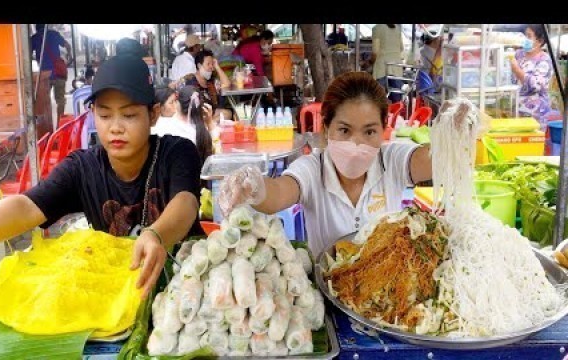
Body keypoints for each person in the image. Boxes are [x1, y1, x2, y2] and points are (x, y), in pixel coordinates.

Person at [0, 55, 204, 300]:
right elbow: (26, 206)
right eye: (105, 115)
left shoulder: (176, 152)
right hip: (129, 295)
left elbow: (186, 202)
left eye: (129, 115)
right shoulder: (82, 168)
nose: (116, 128)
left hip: (187, 287)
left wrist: (156, 234)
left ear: (153, 114)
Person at [217, 71, 435, 256]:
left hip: (391, 294)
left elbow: (433, 159)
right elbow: (277, 193)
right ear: (326, 128)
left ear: (383, 130)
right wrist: (253, 186)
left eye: (369, 131)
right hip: (330, 292)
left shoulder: (392, 160)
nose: (357, 144)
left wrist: (453, 135)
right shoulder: (313, 169)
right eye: (344, 130)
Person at [510, 24, 554, 129]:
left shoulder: (544, 60)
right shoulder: (518, 54)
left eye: (529, 36)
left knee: (533, 143)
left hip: (535, 114)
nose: (525, 39)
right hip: (516, 110)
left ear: (540, 40)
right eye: (525, 35)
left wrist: (517, 70)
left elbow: (535, 85)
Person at [31, 24, 73, 119]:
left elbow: (27, 55)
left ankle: (47, 124)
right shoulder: (54, 34)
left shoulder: (34, 38)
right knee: (60, 100)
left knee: (44, 101)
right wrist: (69, 56)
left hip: (45, 76)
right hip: (58, 73)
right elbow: (67, 45)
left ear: (37, 28)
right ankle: (59, 122)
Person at [178, 49, 231, 120]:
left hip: (210, 116)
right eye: (208, 64)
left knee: (228, 113)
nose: (211, 67)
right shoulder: (188, 80)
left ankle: (209, 126)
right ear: (199, 65)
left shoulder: (212, 81)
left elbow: (227, 84)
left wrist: (217, 66)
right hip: (195, 118)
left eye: (212, 64)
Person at [371, 24, 404, 103]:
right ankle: (395, 114)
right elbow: (401, 48)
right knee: (397, 99)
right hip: (396, 67)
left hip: (382, 67)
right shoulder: (397, 29)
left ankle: (383, 115)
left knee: (379, 99)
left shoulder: (377, 28)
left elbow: (375, 51)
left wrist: (370, 62)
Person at [419, 26, 444, 92]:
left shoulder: (421, 50)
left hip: (422, 83)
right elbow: (438, 65)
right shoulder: (431, 52)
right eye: (438, 39)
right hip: (431, 85)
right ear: (434, 41)